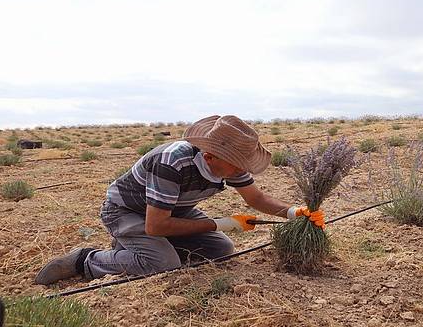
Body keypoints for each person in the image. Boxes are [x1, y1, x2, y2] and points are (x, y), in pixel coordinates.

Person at [35, 115, 324, 285]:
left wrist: (294, 213)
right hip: (126, 211)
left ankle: (135, 250)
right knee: (163, 265)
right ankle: (86, 260)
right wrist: (221, 222)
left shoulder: (229, 165)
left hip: (170, 213)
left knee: (222, 249)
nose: (242, 169)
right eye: (238, 163)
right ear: (210, 156)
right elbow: (156, 225)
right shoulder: (172, 162)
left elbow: (256, 198)